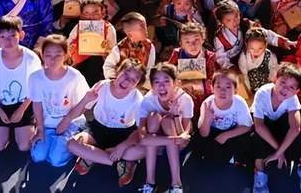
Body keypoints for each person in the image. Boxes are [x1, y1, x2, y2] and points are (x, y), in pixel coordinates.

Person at [63, 60, 145, 186]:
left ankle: (93, 155)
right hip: (97, 130)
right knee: (72, 144)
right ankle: (116, 161)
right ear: (118, 71)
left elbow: (140, 130)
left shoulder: (137, 98)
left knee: (142, 150)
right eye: (125, 74)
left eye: (134, 80)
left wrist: (123, 146)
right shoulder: (102, 86)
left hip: (123, 135)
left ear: (137, 85)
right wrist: (85, 99)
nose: (127, 81)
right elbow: (79, 111)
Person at [124, 63, 193, 193]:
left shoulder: (185, 99)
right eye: (157, 82)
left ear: (176, 83)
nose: (161, 86)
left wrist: (176, 115)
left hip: (175, 142)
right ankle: (150, 181)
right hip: (156, 142)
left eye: (166, 81)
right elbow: (143, 138)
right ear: (152, 86)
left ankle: (176, 183)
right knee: (153, 117)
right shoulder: (148, 101)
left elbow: (184, 136)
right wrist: (171, 140)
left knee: (167, 121)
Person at [251, 63, 301, 193]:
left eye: (291, 87)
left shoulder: (293, 99)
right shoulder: (263, 93)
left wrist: (279, 152)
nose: (285, 89)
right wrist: (278, 151)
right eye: (283, 83)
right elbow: (259, 125)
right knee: (256, 134)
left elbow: (295, 129)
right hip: (266, 127)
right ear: (275, 79)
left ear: (297, 91)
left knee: (298, 133)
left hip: (281, 127)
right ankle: (259, 171)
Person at [29, 34, 90, 167]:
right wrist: (40, 129)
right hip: (47, 124)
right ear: (42, 55)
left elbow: (84, 105)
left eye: (58, 55)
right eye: (48, 55)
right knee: (38, 156)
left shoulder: (74, 76)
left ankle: (78, 137)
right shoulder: (35, 77)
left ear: (66, 55)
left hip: (70, 123)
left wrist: (67, 120)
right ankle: (54, 142)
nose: (53, 59)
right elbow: (37, 105)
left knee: (56, 160)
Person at [0, 16, 42, 152]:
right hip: (2, 104)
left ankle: (30, 124)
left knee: (24, 146)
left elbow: (35, 87)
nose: (8, 41)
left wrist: (21, 110)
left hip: (25, 104)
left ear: (21, 35)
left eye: (12, 35)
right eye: (2, 37)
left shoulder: (31, 58)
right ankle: (9, 130)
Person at [194, 70, 253, 163]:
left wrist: (225, 136)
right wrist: (207, 119)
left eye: (228, 87)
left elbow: (247, 127)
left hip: (232, 132)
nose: (223, 91)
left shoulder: (239, 103)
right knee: (199, 143)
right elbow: (203, 134)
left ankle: (230, 157)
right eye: (218, 87)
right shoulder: (207, 104)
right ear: (212, 88)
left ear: (235, 90)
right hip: (213, 133)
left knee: (248, 139)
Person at [167, 22, 216, 108]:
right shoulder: (177, 54)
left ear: (203, 39)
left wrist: (195, 84)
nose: (193, 45)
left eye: (196, 40)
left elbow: (210, 79)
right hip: (181, 90)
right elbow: (168, 73)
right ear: (181, 44)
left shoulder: (209, 56)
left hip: (202, 91)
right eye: (187, 41)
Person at [104, 12, 156, 79]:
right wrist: (113, 78)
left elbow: (149, 68)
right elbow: (108, 66)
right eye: (141, 28)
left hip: (140, 82)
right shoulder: (119, 49)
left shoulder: (149, 46)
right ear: (130, 34)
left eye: (145, 26)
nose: (146, 30)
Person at [238, 28, 281, 94]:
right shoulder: (243, 58)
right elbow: (244, 76)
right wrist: (249, 90)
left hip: (266, 84)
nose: (256, 52)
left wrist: (270, 84)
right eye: (252, 48)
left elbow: (273, 70)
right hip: (251, 86)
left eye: (260, 48)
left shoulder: (270, 56)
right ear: (247, 46)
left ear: (265, 45)